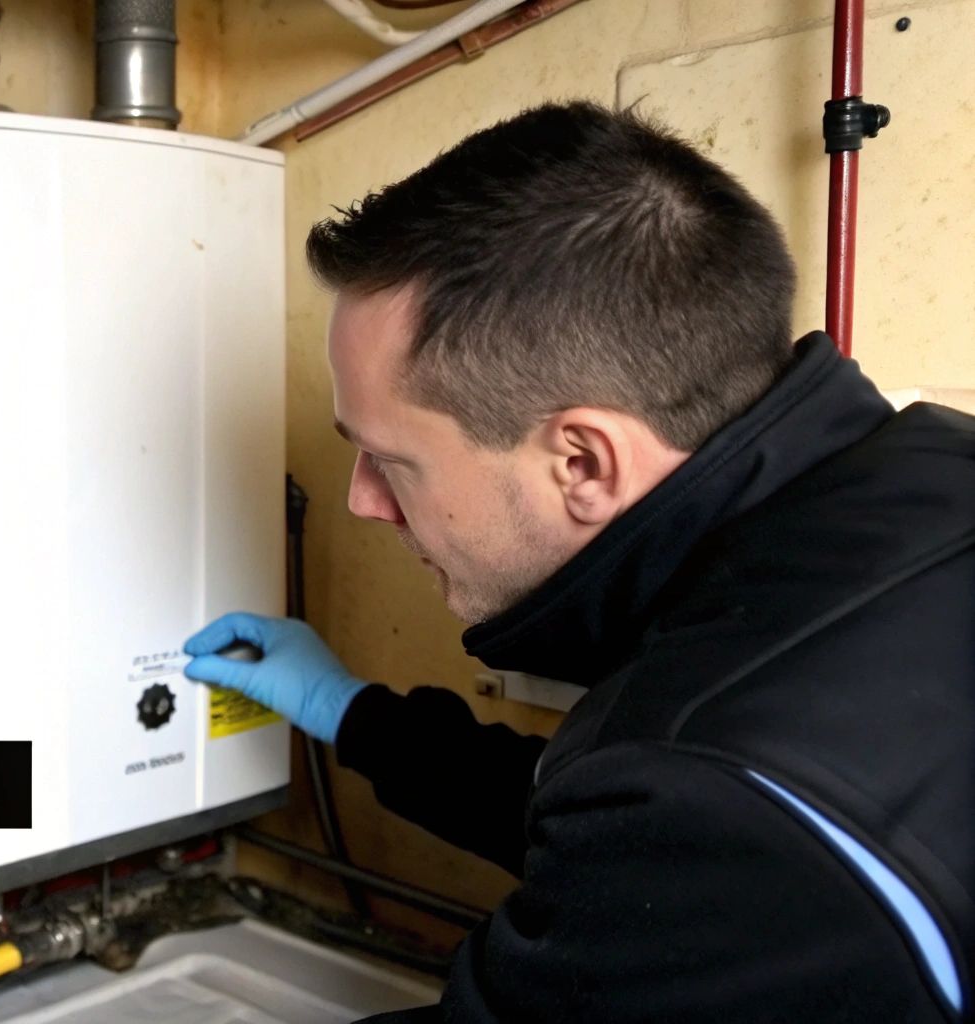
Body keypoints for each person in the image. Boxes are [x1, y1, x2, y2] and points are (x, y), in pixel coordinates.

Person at [183, 101, 975, 1021]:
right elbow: (629, 825)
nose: (363, 500)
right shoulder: (929, 478)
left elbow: (681, 820)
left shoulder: (729, 799)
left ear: (583, 463)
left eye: (391, 460)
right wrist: (352, 712)